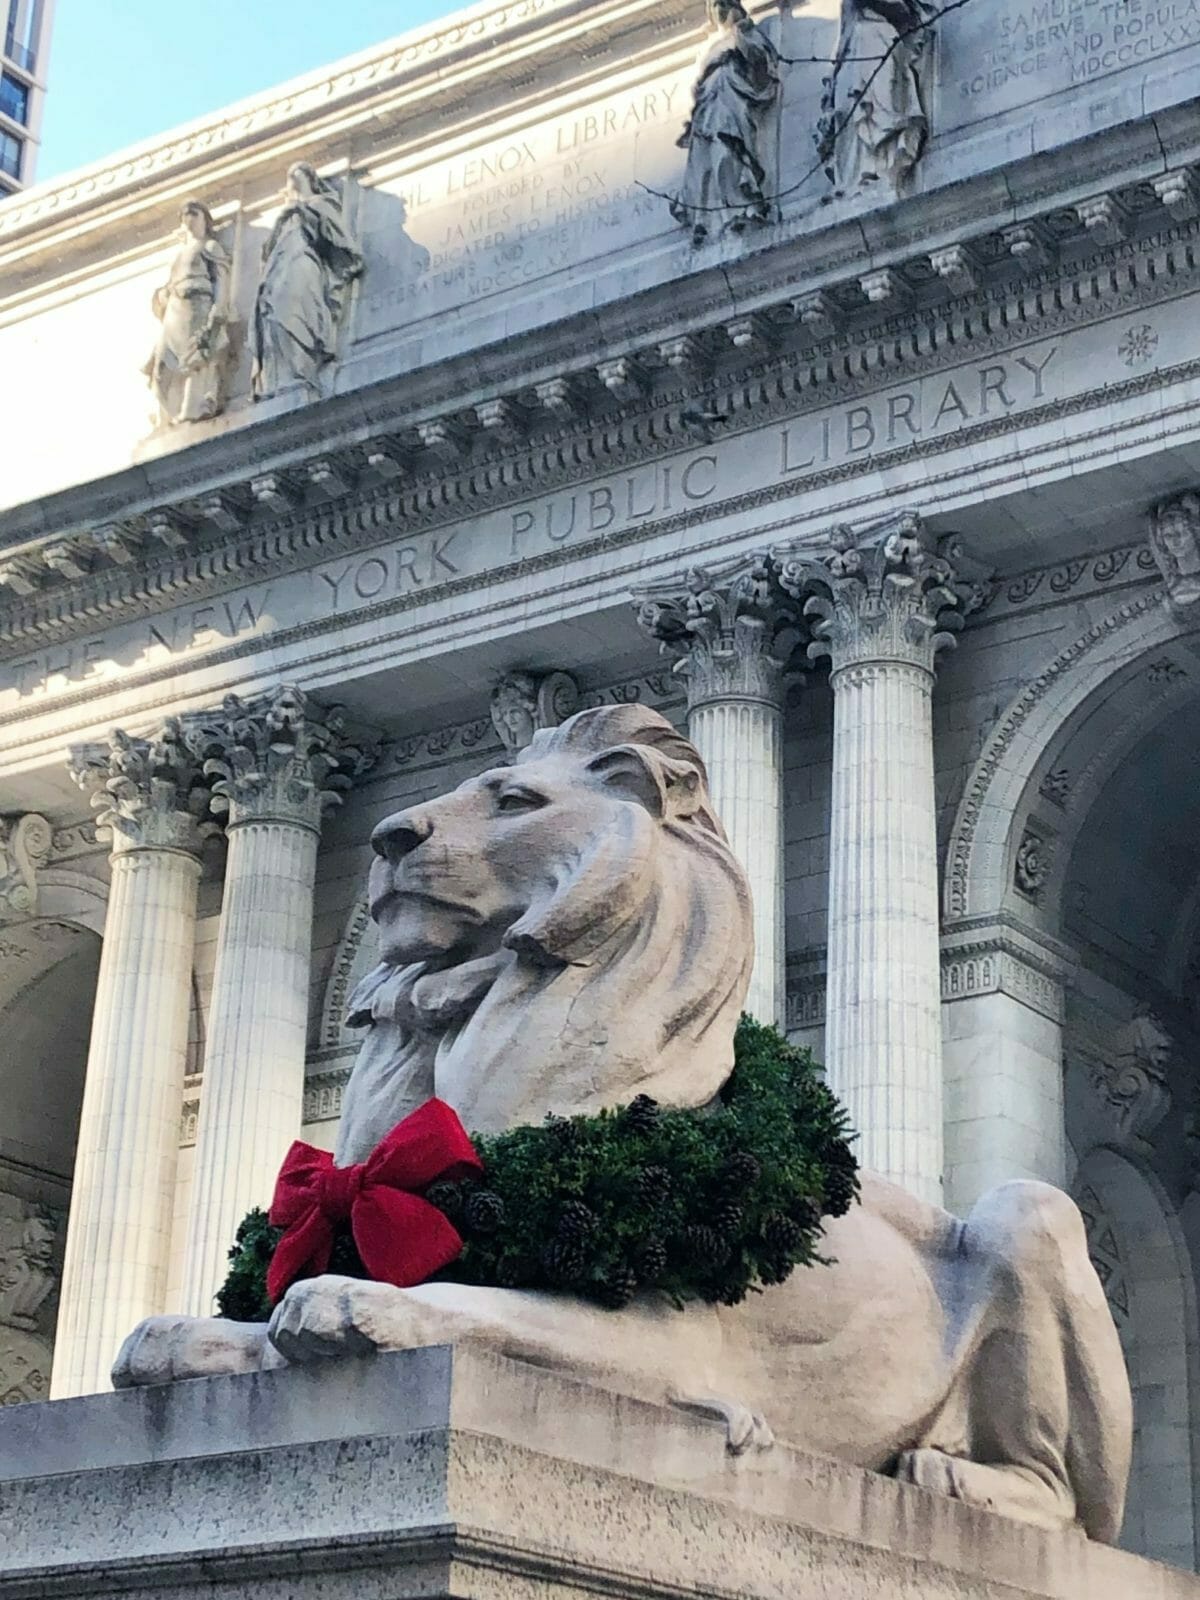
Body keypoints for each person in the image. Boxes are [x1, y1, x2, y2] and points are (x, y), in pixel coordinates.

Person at [670, 0, 780, 247]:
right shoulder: (708, 47)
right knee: (704, 163)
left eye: (724, 4)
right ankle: (709, 218)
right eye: (715, 5)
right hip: (708, 103)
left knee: (728, 151)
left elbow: (763, 60)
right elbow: (697, 83)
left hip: (732, 96)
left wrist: (741, 40)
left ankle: (739, 209)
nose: (720, 10)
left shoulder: (746, 33)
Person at [252, 163, 364, 400]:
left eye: (299, 172)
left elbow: (334, 236)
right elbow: (267, 251)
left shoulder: (321, 204)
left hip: (304, 262)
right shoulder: (286, 214)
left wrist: (303, 212)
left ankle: (303, 370)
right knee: (274, 313)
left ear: (311, 179)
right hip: (280, 267)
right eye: (289, 173)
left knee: (295, 309)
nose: (293, 176)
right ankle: (286, 377)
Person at [819, 0, 933, 196]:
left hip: (878, 40)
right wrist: (832, 74)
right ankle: (852, 180)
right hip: (853, 47)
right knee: (845, 112)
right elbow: (844, 30)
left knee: (876, 109)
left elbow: (905, 9)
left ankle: (879, 168)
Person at [143, 201, 230, 425]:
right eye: (184, 214)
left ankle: (192, 408)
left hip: (198, 305)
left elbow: (221, 280)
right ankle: (165, 412)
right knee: (162, 360)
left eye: (193, 213)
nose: (188, 217)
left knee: (195, 358)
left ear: (204, 219)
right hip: (175, 309)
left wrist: (219, 308)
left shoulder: (209, 247)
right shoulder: (179, 253)